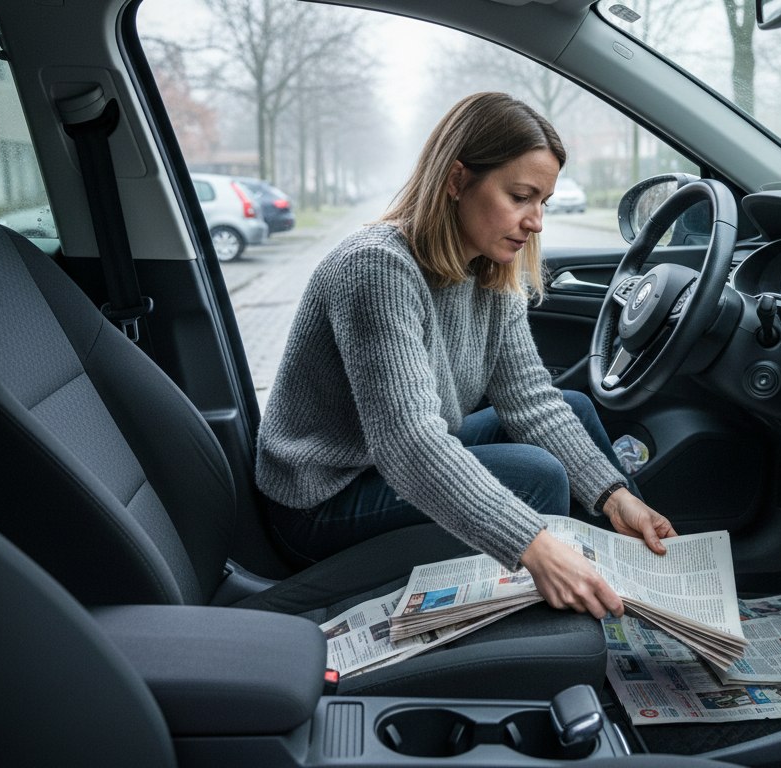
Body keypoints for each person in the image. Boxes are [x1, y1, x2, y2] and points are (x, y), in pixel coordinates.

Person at [256, 92, 677, 619]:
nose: (536, 221)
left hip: (386, 463)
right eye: (521, 196)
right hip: (323, 495)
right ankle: (549, 617)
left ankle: (631, 586)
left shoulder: (490, 270)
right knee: (537, 474)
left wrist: (616, 497)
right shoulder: (376, 269)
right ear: (457, 181)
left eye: (543, 201)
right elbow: (409, 442)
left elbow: (531, 401)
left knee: (574, 407)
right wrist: (533, 545)